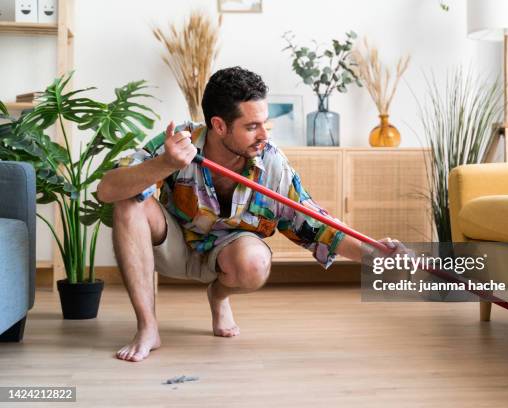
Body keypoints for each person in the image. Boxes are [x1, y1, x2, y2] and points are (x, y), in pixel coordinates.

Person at [97, 66, 406, 362]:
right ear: (219, 126)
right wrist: (164, 164)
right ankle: (148, 327)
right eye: (251, 126)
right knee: (128, 200)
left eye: (264, 123)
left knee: (255, 263)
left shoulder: (271, 161)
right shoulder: (181, 141)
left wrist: (373, 254)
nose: (264, 135)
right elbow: (107, 190)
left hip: (227, 253)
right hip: (172, 245)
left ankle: (218, 296)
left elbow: (316, 224)